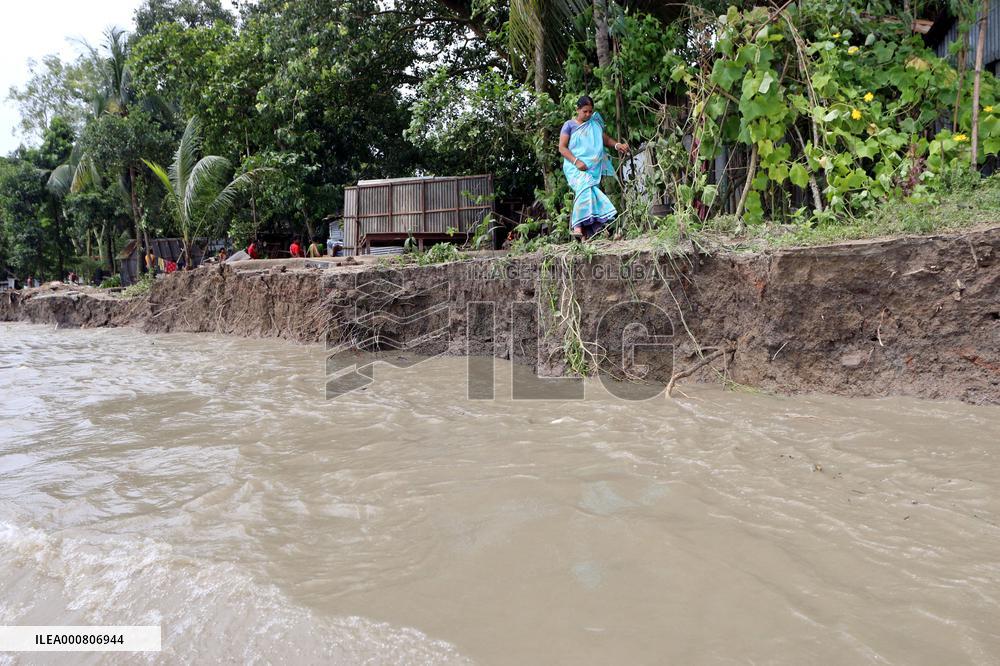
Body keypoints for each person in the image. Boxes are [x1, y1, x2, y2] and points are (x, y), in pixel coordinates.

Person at [557, 95, 629, 240]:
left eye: (590, 111)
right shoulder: (569, 125)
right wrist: (577, 162)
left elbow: (605, 139)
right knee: (584, 188)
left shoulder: (594, 124)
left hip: (591, 167)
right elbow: (562, 148)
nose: (588, 114)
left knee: (591, 194)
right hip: (574, 166)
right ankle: (578, 226)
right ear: (577, 109)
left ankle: (591, 232)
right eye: (585, 111)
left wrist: (617, 145)